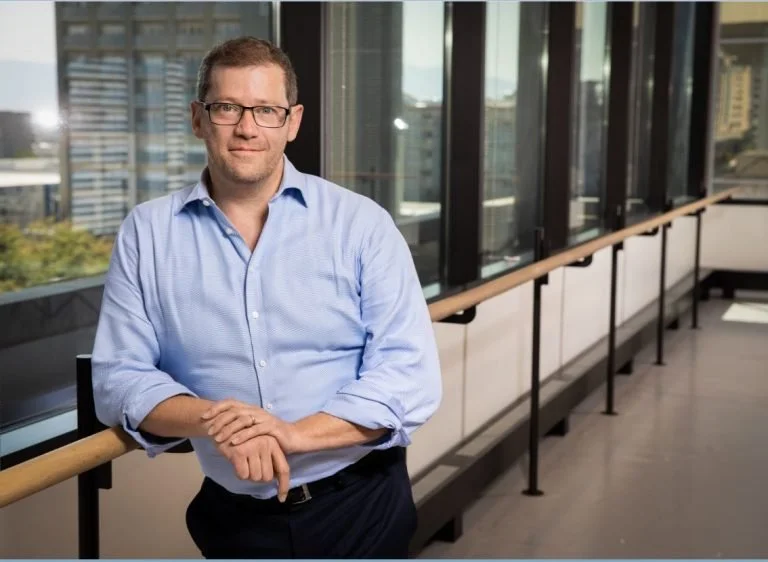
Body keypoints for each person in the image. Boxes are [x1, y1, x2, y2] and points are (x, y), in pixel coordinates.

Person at [91, 36, 442, 559]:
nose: (247, 128)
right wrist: (221, 421)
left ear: (292, 122)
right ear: (198, 118)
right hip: (234, 519)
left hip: (361, 506)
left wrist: (294, 435)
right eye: (227, 107)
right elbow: (118, 378)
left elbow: (408, 374)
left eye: (266, 110)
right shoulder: (147, 233)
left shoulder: (361, 224)